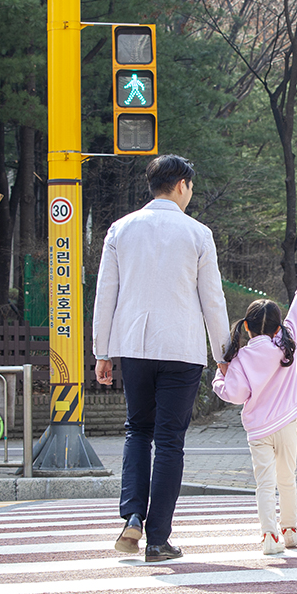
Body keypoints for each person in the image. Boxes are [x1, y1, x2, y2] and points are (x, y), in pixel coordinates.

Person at [92, 154, 230, 563]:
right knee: (170, 440)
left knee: (138, 430)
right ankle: (158, 539)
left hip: (133, 345)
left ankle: (132, 514)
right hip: (181, 349)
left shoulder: (121, 229)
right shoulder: (198, 234)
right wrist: (223, 354)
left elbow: (106, 296)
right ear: (183, 185)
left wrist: (103, 352)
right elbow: (212, 298)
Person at [212, 263, 297, 554]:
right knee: (287, 479)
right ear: (278, 326)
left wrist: (220, 375)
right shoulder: (288, 344)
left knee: (264, 484)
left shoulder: (242, 357)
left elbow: (235, 394)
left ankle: (269, 537)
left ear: (246, 326)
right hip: (286, 424)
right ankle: (291, 531)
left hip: (258, 429)